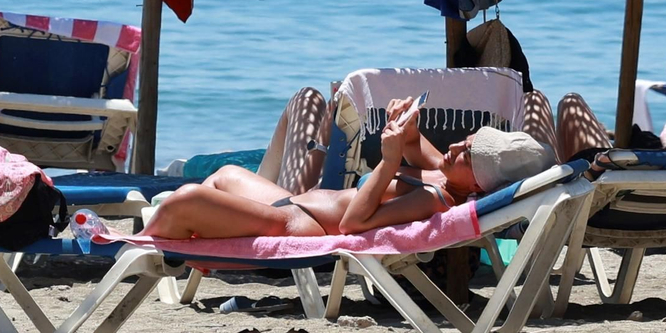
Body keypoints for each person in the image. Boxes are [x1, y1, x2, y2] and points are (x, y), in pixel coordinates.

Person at [142, 99, 553, 240]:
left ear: (479, 182)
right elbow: (419, 148)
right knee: (226, 174)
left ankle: (139, 246)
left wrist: (389, 162)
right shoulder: (448, 178)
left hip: (298, 224)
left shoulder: (434, 199)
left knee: (187, 199)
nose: (459, 144)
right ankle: (188, 249)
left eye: (469, 152)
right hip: (295, 204)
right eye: (469, 139)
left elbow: (353, 225)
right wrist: (406, 130)